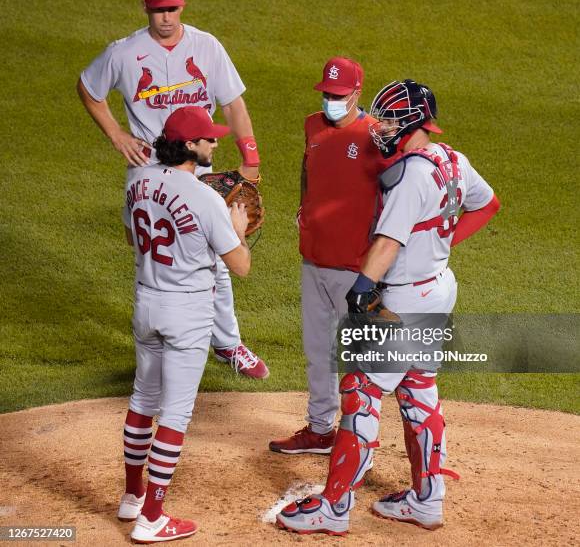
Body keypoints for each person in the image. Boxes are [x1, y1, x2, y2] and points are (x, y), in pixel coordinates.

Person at [276, 79, 500, 535]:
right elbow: (488, 204)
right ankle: (426, 500)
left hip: (402, 297)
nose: (382, 125)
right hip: (437, 287)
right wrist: (436, 244)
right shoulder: (453, 160)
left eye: (392, 119)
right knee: (418, 390)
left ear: (414, 122)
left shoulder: (413, 174)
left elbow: (388, 241)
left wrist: (362, 286)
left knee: (360, 389)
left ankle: (334, 508)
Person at [77, 0, 267, 379]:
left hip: (197, 163)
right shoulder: (124, 53)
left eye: (173, 8)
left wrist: (250, 155)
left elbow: (232, 104)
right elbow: (88, 88)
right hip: (148, 165)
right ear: (146, 8)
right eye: (159, 9)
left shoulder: (207, 46)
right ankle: (160, 337)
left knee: (216, 254)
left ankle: (228, 343)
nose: (166, 17)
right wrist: (116, 134)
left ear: (183, 5)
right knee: (149, 253)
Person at [119, 106, 251, 543]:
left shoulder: (136, 179)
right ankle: (152, 518)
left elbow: (130, 236)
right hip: (187, 312)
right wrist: (238, 229)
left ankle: (132, 497)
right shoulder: (205, 197)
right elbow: (240, 265)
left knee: (142, 399)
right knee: (175, 413)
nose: (215, 143)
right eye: (208, 139)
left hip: (146, 302)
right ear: (190, 146)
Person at [269, 57, 387, 454]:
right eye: (326, 94)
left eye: (338, 95)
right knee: (318, 353)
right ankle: (320, 430)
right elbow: (309, 171)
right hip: (313, 260)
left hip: (355, 269)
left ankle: (359, 437)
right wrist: (305, 208)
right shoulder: (312, 125)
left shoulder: (376, 135)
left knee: (359, 359)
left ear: (357, 93)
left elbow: (392, 194)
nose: (330, 101)